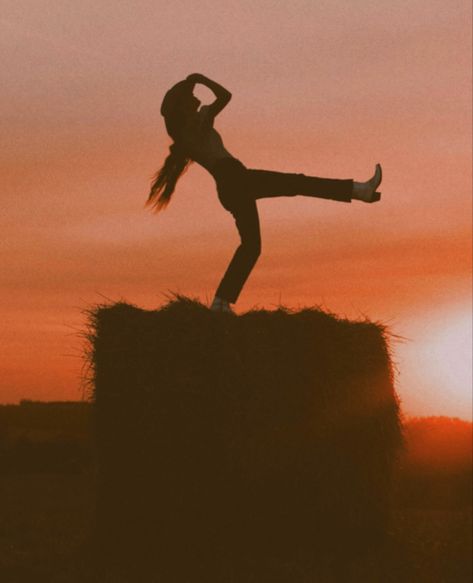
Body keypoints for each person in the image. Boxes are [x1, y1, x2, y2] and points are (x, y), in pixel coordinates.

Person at [146, 74, 383, 313]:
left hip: (230, 183)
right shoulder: (196, 126)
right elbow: (225, 96)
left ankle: (221, 301)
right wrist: (198, 77)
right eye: (189, 95)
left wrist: (194, 82)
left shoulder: (192, 129)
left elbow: (222, 99)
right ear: (183, 107)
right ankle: (359, 190)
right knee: (296, 184)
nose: (194, 94)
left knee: (252, 245)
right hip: (235, 177)